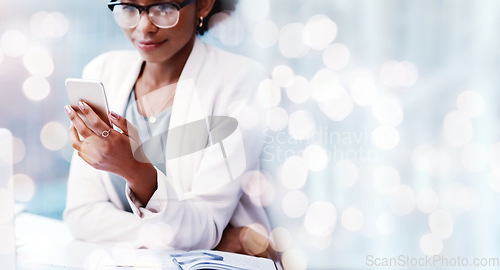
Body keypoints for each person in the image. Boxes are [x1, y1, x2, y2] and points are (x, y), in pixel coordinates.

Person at [63, 0, 275, 258]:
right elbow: (81, 215)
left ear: (204, 5)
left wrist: (134, 170)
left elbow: (204, 225)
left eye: (163, 9)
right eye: (129, 9)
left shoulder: (241, 79)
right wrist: (202, 241)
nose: (144, 27)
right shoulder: (103, 70)